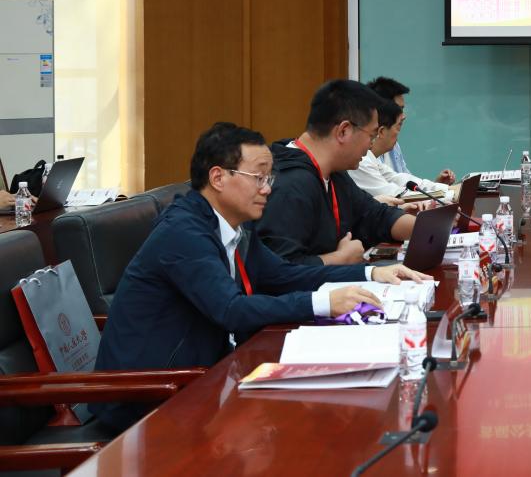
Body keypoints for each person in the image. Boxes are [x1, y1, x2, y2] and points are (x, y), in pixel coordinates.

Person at [91, 122, 429, 432]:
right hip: (151, 399)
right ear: (218, 177)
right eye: (258, 178)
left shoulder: (234, 226)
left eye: (269, 178)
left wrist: (372, 273)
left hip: (208, 376)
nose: (267, 189)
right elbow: (231, 309)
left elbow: (284, 275)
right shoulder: (183, 233)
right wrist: (325, 302)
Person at [257, 79, 424, 266]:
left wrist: (428, 229)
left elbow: (375, 216)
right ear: (344, 131)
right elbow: (279, 270)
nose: (371, 145)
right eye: (371, 135)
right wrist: (340, 259)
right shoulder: (289, 184)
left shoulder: (335, 173)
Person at [349, 99, 448, 202]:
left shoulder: (373, 157)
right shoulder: (362, 161)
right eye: (372, 134)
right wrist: (448, 194)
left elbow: (400, 179)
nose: (371, 143)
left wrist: (444, 189)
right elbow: (397, 196)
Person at [367, 75, 455, 185]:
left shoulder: (393, 145)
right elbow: (389, 190)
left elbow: (407, 183)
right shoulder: (363, 155)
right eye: (398, 109)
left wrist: (436, 185)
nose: (403, 116)